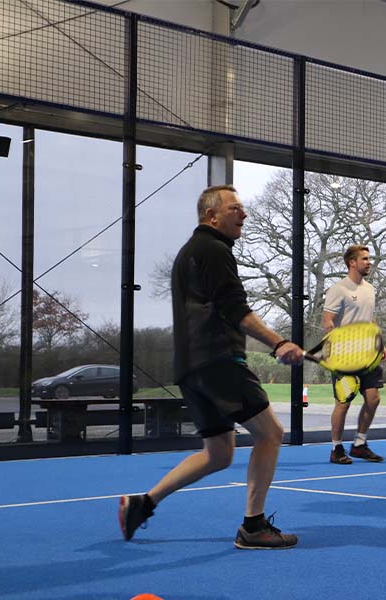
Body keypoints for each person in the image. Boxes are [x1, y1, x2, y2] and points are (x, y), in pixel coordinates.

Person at [119, 184, 305, 550]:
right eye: (235, 208)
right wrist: (279, 343)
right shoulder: (213, 249)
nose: (244, 214)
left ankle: (144, 503)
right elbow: (235, 311)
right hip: (218, 361)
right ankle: (253, 527)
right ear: (212, 216)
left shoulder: (190, 252)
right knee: (270, 433)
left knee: (219, 454)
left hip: (191, 368)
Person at [322, 244, 386, 465]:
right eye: (365, 259)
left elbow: (370, 319)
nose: (369, 262)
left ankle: (359, 444)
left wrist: (380, 343)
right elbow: (327, 322)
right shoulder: (338, 289)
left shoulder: (369, 289)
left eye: (369, 259)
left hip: (368, 355)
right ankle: (336, 448)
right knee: (344, 402)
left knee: (373, 399)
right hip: (344, 358)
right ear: (352, 262)